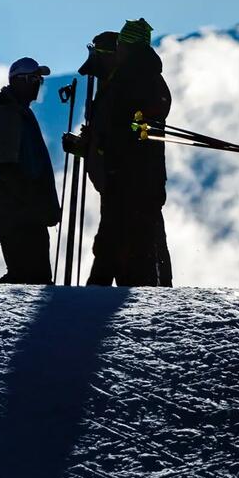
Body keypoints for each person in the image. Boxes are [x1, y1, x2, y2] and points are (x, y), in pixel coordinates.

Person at [86, 19, 174, 286]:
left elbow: (119, 128)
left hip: (126, 177)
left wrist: (103, 147)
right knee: (134, 241)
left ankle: (104, 295)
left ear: (127, 47)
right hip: (141, 177)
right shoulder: (147, 77)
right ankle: (140, 290)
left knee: (125, 242)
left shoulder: (130, 78)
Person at [0, 58, 62, 284]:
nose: (39, 84)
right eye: (35, 79)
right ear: (20, 81)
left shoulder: (16, 110)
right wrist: (35, 203)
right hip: (17, 212)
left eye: (40, 79)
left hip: (17, 210)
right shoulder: (7, 112)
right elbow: (6, 166)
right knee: (31, 277)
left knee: (30, 276)